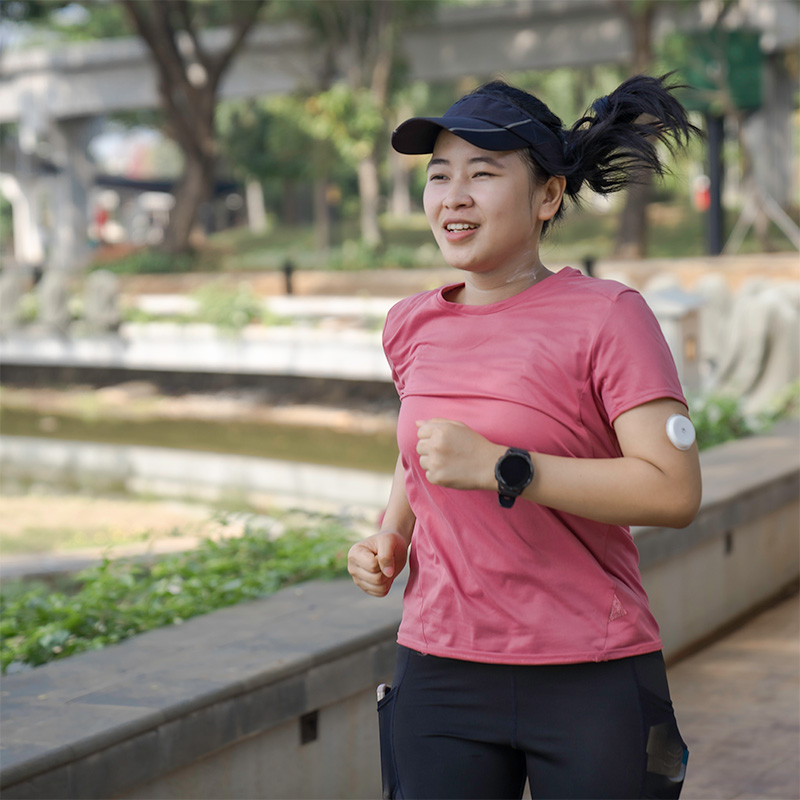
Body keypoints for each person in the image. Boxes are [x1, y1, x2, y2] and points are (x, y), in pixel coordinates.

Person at [347, 74, 703, 800]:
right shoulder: (410, 323)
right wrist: (393, 531)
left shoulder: (608, 316)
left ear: (547, 197)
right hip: (439, 666)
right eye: (439, 174)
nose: (454, 195)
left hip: (590, 669)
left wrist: (507, 468)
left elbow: (673, 489)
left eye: (483, 173)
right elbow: (424, 445)